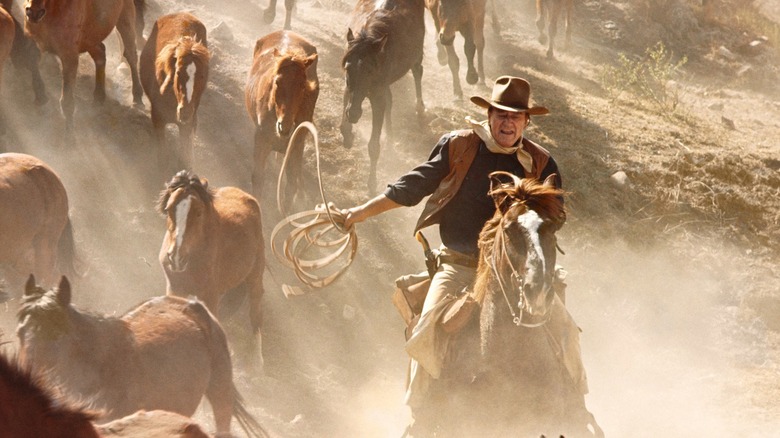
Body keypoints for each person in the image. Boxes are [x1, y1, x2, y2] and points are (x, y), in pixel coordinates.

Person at [342, 76, 585, 429]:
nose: (507, 122)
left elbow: (555, 219)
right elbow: (413, 186)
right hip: (461, 266)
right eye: (500, 114)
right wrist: (357, 214)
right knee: (427, 330)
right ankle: (421, 419)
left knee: (565, 329)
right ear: (489, 115)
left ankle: (578, 412)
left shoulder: (541, 163)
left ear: (526, 122)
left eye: (515, 116)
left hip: (517, 271)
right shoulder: (460, 147)